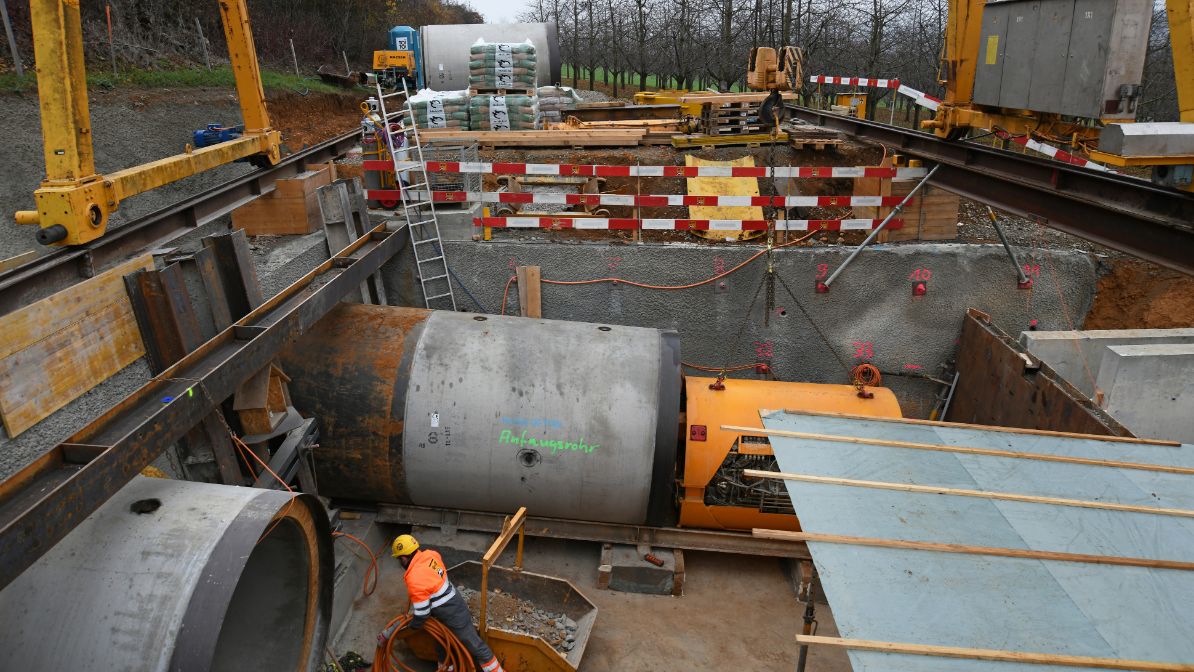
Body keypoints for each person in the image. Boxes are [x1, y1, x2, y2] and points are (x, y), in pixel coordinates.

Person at [378, 534, 506, 672]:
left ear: (403, 558)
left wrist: (413, 626)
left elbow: (422, 614)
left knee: (474, 644)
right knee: (441, 641)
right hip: (446, 604)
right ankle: (445, 668)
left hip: (453, 611)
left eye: (399, 559)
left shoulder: (414, 577)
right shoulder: (431, 554)